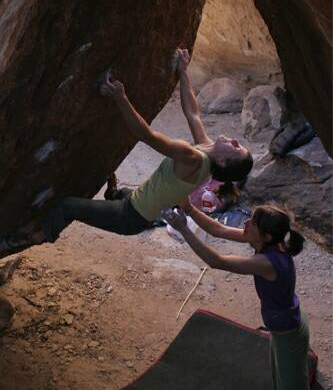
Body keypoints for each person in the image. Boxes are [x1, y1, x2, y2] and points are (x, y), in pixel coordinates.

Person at [0, 49, 253, 256]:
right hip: (135, 203)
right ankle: (113, 193)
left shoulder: (193, 158)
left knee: (67, 206)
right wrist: (183, 72)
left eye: (236, 148)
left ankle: (37, 235)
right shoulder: (206, 148)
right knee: (116, 193)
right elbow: (193, 113)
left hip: (130, 217)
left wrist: (119, 97)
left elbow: (147, 136)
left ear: (223, 160)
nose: (233, 140)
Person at [162, 202, 309, 390]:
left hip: (288, 333)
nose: (246, 222)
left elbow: (217, 261)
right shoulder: (270, 241)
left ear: (266, 236)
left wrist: (184, 229)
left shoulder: (266, 262)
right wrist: (190, 208)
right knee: (279, 377)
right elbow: (218, 229)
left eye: (253, 222)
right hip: (286, 320)